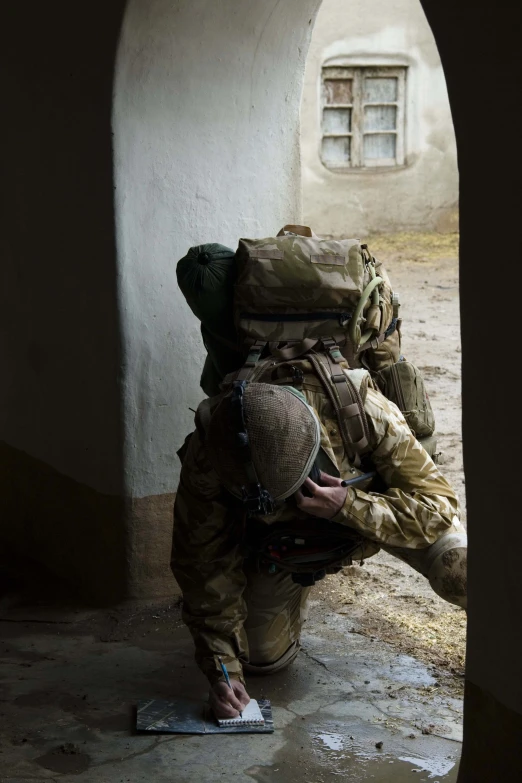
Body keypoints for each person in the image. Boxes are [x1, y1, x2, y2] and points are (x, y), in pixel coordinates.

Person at [171, 361, 467, 719]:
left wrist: (349, 504)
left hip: (372, 511)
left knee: (461, 573)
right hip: (285, 547)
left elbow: (439, 508)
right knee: (260, 659)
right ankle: (293, 592)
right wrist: (222, 669)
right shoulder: (211, 452)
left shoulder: (360, 411)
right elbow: (203, 564)